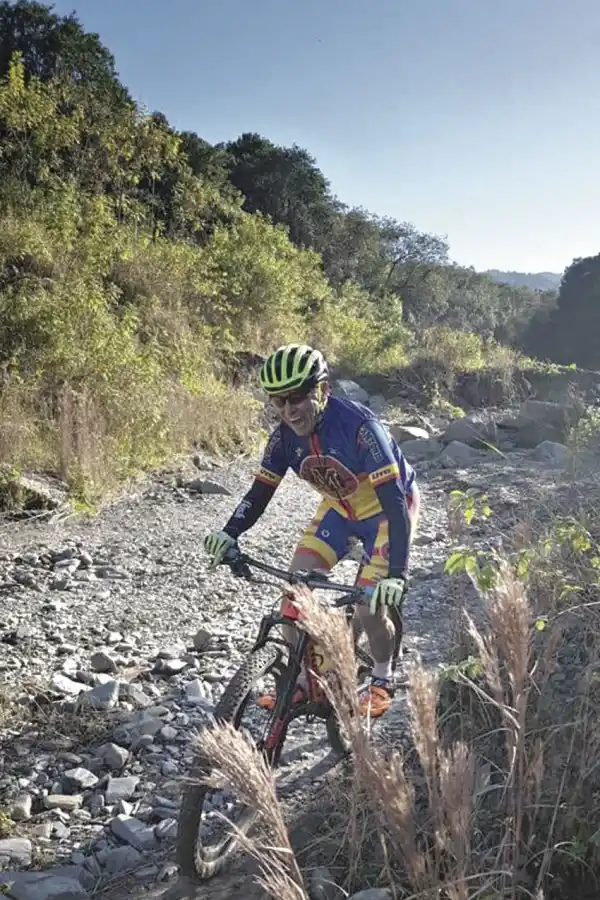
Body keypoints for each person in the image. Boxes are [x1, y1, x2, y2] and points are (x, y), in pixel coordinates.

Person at [203, 343, 421, 718]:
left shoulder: (360, 428)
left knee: (370, 606)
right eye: (279, 400)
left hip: (389, 512)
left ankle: (383, 679)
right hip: (340, 509)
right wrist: (230, 532)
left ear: (321, 389)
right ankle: (302, 681)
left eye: (298, 396)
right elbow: (259, 493)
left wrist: (397, 575)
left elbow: (395, 503)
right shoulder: (283, 439)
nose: (289, 410)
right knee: (295, 591)